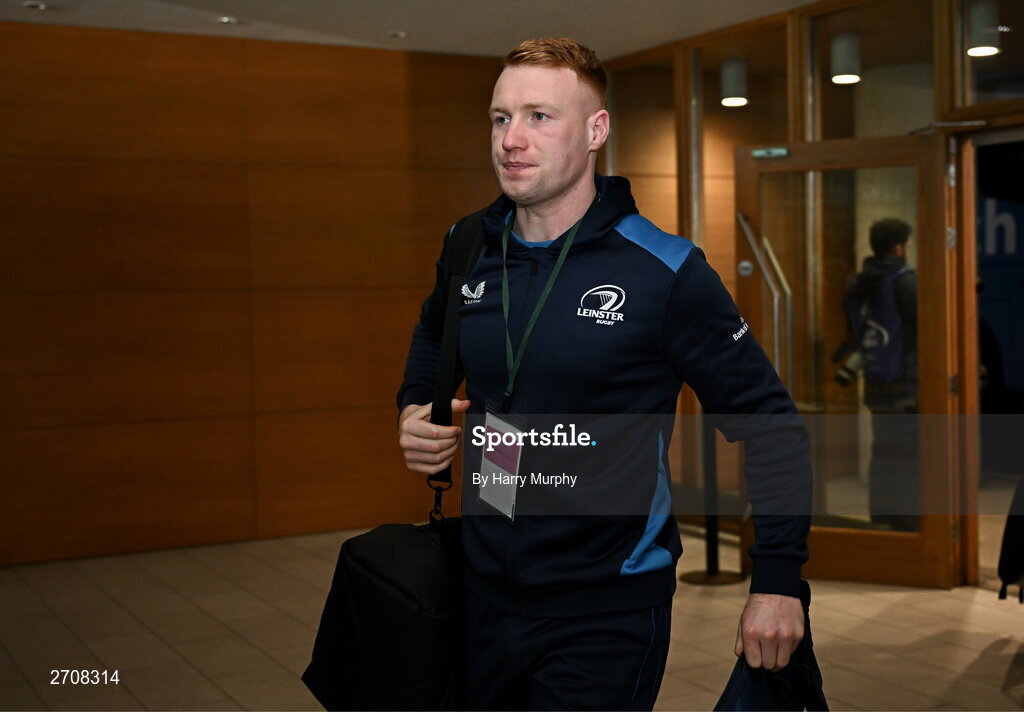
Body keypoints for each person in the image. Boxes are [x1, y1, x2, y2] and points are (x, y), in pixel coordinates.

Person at [397, 37, 812, 710]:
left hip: (606, 610)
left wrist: (778, 580)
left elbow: (771, 427)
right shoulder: (467, 243)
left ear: (596, 130)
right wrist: (418, 406)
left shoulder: (665, 271)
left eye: (539, 116)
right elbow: (432, 331)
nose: (512, 139)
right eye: (501, 118)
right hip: (479, 594)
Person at [843, 218, 919, 532]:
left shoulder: (860, 281)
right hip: (905, 383)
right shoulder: (906, 281)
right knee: (908, 454)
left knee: (882, 451)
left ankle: (881, 517)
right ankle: (907, 523)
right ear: (898, 246)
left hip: (875, 381)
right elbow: (920, 334)